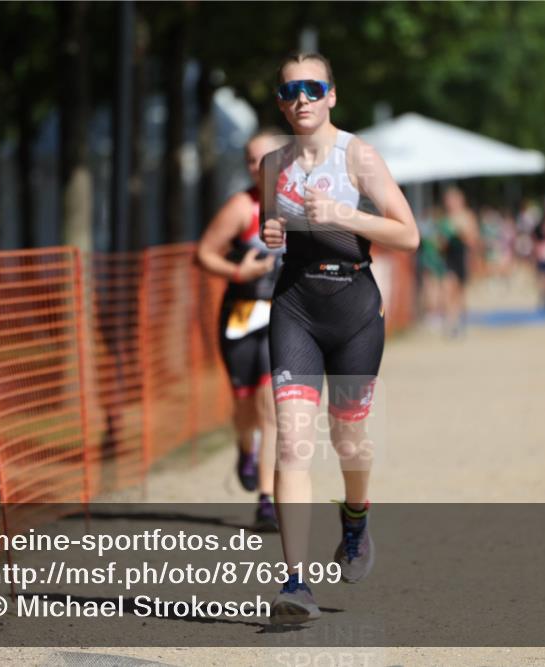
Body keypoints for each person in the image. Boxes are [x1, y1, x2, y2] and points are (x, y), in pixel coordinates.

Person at [259, 52, 418, 624]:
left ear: (331, 95)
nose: (301, 98)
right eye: (290, 90)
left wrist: (342, 216)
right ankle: (295, 583)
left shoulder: (359, 156)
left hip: (353, 308)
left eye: (312, 87)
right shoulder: (273, 163)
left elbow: (408, 234)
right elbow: (271, 225)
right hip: (294, 307)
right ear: (281, 102)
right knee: (291, 443)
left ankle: (355, 517)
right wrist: (271, 231)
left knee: (348, 438)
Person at [196, 129, 287, 532]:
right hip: (241, 316)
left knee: (272, 408)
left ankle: (266, 499)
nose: (255, 167)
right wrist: (238, 272)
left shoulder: (302, 205)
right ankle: (244, 449)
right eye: (250, 160)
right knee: (245, 407)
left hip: (283, 317)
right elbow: (203, 254)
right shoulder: (241, 207)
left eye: (263, 159)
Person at [439, 186, 478, 337]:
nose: (450, 203)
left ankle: (461, 322)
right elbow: (441, 244)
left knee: (460, 292)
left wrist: (461, 233)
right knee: (448, 288)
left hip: (463, 256)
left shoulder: (467, 216)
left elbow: (473, 241)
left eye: (453, 200)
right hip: (449, 257)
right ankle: (450, 322)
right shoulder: (445, 218)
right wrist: (444, 240)